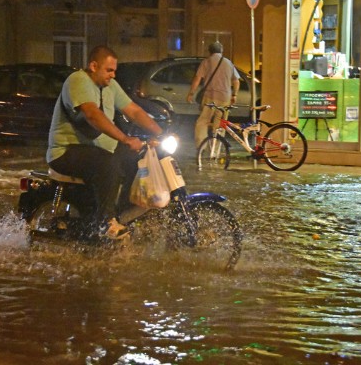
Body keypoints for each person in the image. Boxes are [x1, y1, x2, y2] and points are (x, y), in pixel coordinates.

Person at [46, 45, 163, 239]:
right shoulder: (77, 81)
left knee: (136, 158)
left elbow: (133, 111)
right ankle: (106, 222)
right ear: (93, 66)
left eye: (115, 71)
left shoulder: (110, 87)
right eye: (109, 70)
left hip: (96, 149)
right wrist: (125, 138)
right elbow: (92, 115)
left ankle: (122, 213)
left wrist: (160, 132)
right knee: (108, 163)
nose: (113, 75)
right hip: (66, 151)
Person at [186, 41, 240, 148]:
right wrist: (234, 95)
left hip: (210, 97)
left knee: (202, 122)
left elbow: (197, 79)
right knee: (220, 124)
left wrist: (191, 93)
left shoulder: (206, 62)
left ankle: (202, 146)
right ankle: (215, 150)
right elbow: (236, 81)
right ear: (221, 51)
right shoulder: (228, 63)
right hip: (225, 97)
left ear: (210, 51)